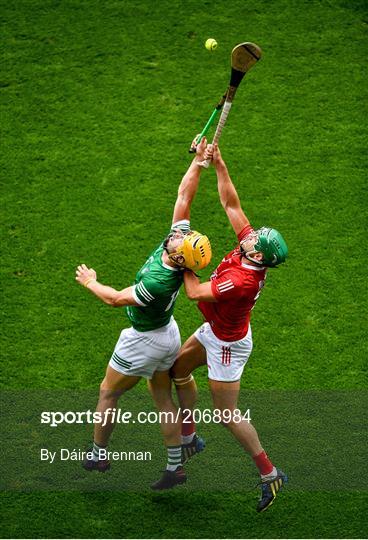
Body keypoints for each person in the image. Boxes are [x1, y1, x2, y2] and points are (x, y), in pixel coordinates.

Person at [75, 137, 212, 490]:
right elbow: (184, 197)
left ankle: (98, 453)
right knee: (162, 397)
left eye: (179, 242)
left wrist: (91, 282)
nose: (175, 236)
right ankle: (174, 467)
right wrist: (198, 162)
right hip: (168, 335)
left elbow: (117, 300)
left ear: (180, 259)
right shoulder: (180, 250)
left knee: (108, 393)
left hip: (144, 341)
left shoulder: (159, 280)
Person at [171, 142, 289, 512]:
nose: (249, 236)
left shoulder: (240, 280)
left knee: (227, 415)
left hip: (227, 344)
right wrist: (219, 163)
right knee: (176, 369)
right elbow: (231, 205)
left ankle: (270, 474)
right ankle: (190, 438)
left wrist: (184, 255)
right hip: (217, 331)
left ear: (259, 256)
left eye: (255, 241)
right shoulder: (253, 251)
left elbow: (194, 293)